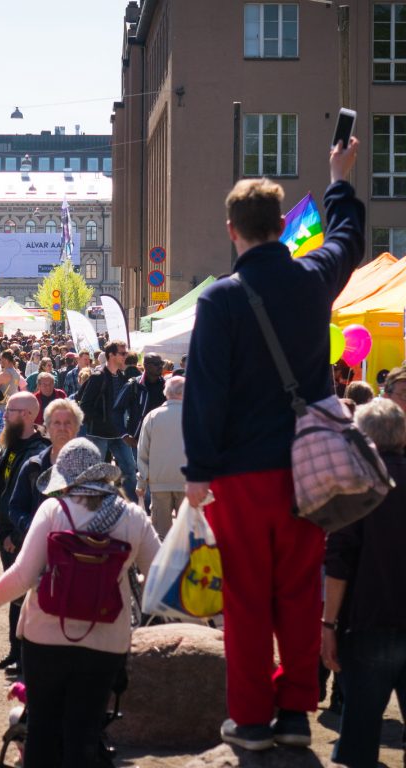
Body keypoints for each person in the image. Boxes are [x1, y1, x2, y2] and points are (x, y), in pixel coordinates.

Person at [182, 137, 364, 749]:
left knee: (246, 597)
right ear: (281, 225)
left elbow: (206, 391)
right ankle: (294, 714)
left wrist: (198, 469)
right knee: (297, 590)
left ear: (233, 230)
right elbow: (346, 241)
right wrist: (339, 178)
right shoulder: (313, 279)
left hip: (239, 473)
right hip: (309, 469)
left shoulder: (221, 299)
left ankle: (252, 717)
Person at [0, 438, 160, 767]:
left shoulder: (53, 510)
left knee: (42, 728)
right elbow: (157, 574)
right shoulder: (132, 516)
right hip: (106, 636)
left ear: (65, 479)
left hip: (46, 634)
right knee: (84, 733)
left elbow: (23, 576)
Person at [322, 399, 406, 767]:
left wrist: (327, 623)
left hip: (366, 621)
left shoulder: (355, 484)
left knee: (359, 735)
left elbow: (338, 561)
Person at [0, 392, 48, 676]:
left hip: (20, 535)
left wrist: (16, 536)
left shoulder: (40, 452)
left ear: (30, 415)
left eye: (11, 410)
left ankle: (26, 657)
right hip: (6, 531)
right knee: (17, 593)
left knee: (28, 594)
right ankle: (14, 651)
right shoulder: (14, 444)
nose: (4, 415)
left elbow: (36, 504)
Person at [9, 399, 83, 547]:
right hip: (39, 548)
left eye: (68, 423)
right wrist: (33, 527)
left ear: (77, 428)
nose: (62, 428)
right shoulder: (33, 467)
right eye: (56, 423)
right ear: (47, 427)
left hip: (79, 552)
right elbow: (16, 508)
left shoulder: (91, 469)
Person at [79, 340, 138, 501]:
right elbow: (84, 405)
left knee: (130, 470)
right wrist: (101, 419)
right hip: (99, 433)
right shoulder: (98, 377)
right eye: (123, 353)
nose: (126, 356)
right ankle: (94, 507)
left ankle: (129, 507)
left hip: (119, 433)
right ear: (111, 355)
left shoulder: (123, 376)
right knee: (96, 473)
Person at [136, 376, 186, 539]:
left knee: (161, 534)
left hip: (159, 483)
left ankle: (162, 563)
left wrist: (141, 482)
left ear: (166, 392)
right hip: (187, 481)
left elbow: (143, 452)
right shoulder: (195, 415)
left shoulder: (152, 416)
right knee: (186, 534)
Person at [115, 352, 166, 445]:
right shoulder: (134, 385)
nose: (160, 366)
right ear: (145, 366)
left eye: (161, 363)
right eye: (156, 364)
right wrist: (124, 435)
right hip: (138, 439)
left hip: (163, 437)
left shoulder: (166, 385)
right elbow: (117, 410)